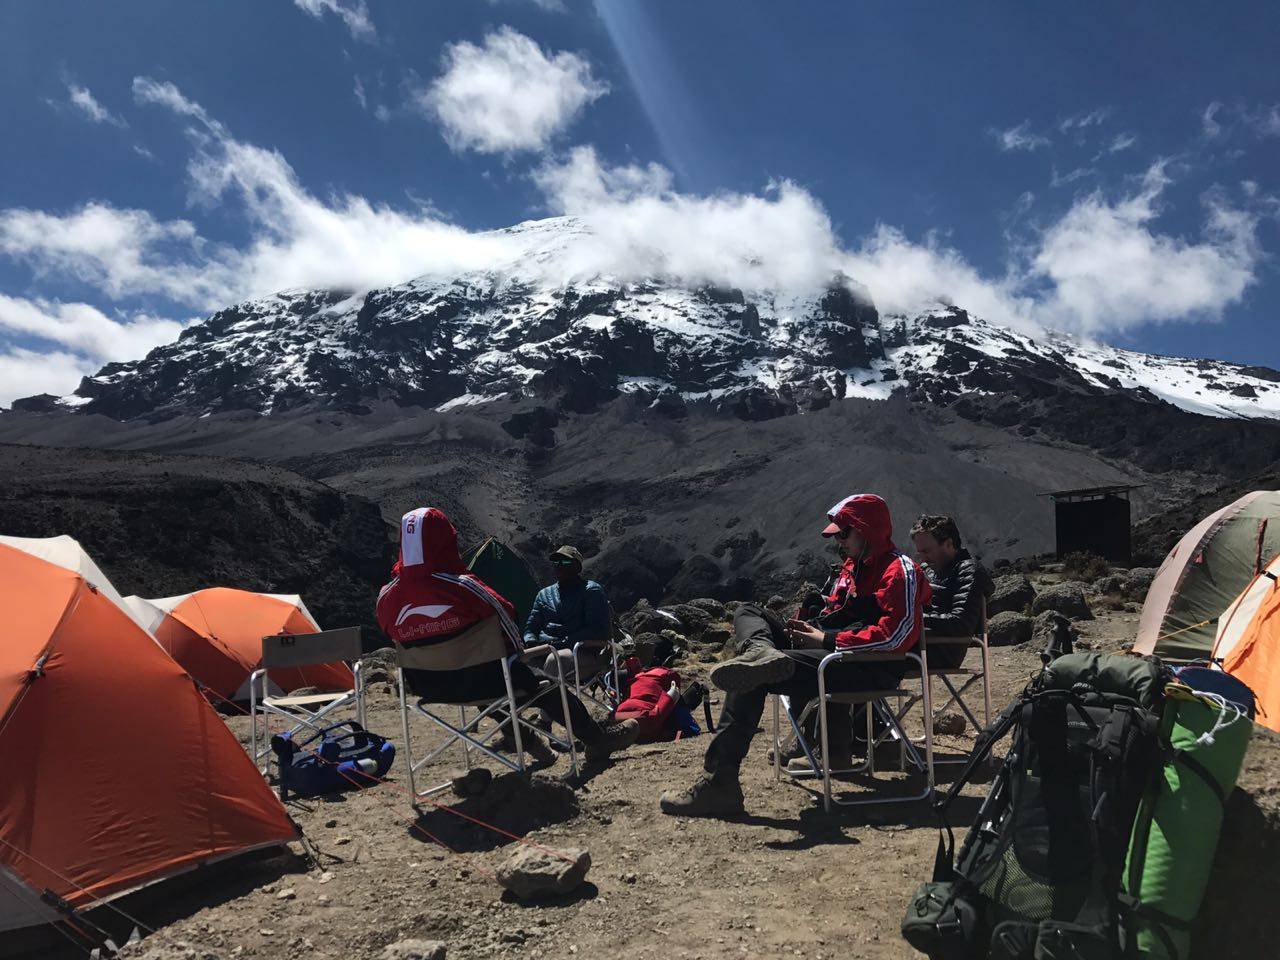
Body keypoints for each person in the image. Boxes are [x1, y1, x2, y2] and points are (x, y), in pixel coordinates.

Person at [659, 493, 931, 817]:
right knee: (749, 612)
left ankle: (720, 783)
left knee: (755, 675)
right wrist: (812, 627)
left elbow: (896, 637)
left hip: (863, 665)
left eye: (844, 534)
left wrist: (826, 639)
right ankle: (760, 649)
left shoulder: (900, 571)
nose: (840, 542)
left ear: (866, 530)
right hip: (835, 654)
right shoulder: (854, 567)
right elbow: (839, 611)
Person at [375, 508, 639, 766]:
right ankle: (597, 739)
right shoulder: (463, 587)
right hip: (483, 680)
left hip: (427, 687)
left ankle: (529, 742)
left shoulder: (386, 598)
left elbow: (390, 632)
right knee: (536, 685)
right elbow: (506, 617)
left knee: (488, 688)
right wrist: (518, 655)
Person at [910, 515, 993, 669]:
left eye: (927, 551)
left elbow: (960, 622)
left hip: (940, 649)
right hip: (921, 642)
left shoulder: (968, 570)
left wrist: (911, 619)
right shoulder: (929, 570)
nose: (924, 557)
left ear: (949, 544)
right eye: (920, 552)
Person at [523, 545, 611, 685]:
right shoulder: (544, 594)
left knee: (556, 659)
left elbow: (597, 630)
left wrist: (562, 642)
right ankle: (505, 705)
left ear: (578, 567)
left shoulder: (591, 591)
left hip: (584, 650)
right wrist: (530, 640)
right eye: (556, 563)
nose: (559, 566)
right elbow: (531, 627)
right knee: (512, 661)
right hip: (546, 648)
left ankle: (551, 705)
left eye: (565, 562)